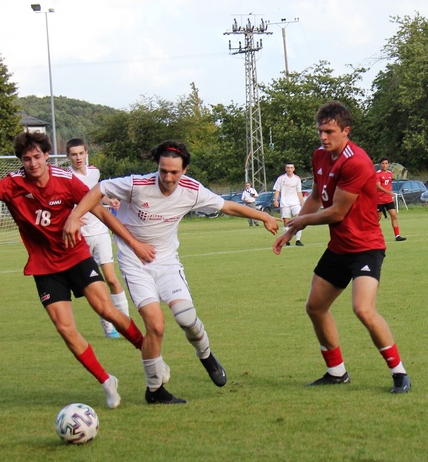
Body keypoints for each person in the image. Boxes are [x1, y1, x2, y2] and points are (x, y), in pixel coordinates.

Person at [0, 131, 145, 410]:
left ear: (46, 156)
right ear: (21, 160)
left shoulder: (66, 180)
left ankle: (148, 353)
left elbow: (100, 212)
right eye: (26, 158)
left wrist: (133, 242)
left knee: (106, 310)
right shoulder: (12, 183)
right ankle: (106, 381)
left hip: (76, 256)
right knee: (65, 328)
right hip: (44, 266)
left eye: (37, 157)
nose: (32, 163)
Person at [65, 140, 280, 405]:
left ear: (185, 170)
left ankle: (206, 356)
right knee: (155, 325)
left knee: (187, 317)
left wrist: (264, 217)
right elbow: (99, 189)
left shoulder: (191, 190)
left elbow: (226, 206)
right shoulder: (137, 185)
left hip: (167, 262)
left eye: (174, 172)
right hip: (135, 263)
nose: (167, 177)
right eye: (163, 171)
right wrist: (76, 216)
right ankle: (154, 391)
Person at [273, 100, 410, 394]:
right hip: (339, 247)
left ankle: (399, 373)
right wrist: (290, 230)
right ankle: (336, 372)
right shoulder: (320, 157)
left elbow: (336, 212)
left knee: (363, 309)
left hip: (365, 247)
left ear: (346, 131)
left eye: (330, 131)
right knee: (315, 307)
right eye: (320, 131)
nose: (323, 137)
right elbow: (313, 199)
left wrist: (302, 221)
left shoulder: (357, 161)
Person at [66, 137, 132, 340]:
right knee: (97, 285)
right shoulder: (65, 176)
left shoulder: (94, 172)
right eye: (73, 154)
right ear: (68, 157)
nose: (78, 157)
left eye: (81, 153)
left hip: (101, 232)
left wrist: (109, 200)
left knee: (112, 279)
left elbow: (95, 195)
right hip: (81, 238)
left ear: (86, 154)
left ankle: (125, 323)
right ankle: (108, 327)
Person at [374, 157, 407, 242]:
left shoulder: (390, 174)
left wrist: (390, 192)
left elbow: (389, 185)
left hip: (388, 199)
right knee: (377, 219)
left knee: (394, 216)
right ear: (380, 164)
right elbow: (378, 186)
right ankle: (372, 236)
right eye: (383, 163)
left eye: (386, 163)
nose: (384, 165)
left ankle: (397, 236)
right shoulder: (377, 174)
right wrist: (388, 192)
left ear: (388, 164)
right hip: (379, 199)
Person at [273, 162, 305, 246]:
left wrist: (302, 203)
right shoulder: (281, 178)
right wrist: (276, 200)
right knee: (286, 222)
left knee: (299, 219)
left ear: (294, 169)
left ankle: (298, 240)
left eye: (291, 168)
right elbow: (277, 190)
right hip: (285, 202)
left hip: (295, 202)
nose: (289, 169)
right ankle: (287, 240)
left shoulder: (297, 179)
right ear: (285, 169)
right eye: (288, 168)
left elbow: (299, 192)